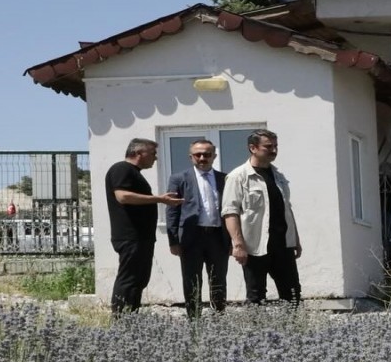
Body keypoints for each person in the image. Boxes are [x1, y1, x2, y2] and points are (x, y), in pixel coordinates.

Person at [222, 129, 303, 305]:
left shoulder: (279, 177)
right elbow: (230, 212)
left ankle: (293, 330)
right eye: (268, 146)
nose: (273, 150)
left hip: (282, 244)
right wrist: (238, 244)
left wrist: (295, 239)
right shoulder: (238, 177)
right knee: (256, 295)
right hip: (255, 246)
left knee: (292, 293)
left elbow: (286, 209)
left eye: (275, 146)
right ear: (253, 148)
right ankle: (255, 332)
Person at [104, 137, 182, 316]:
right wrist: (159, 199)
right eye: (152, 153)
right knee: (129, 279)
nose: (155, 158)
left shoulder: (134, 172)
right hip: (130, 237)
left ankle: (132, 319)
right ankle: (122, 320)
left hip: (140, 237)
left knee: (139, 280)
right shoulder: (121, 169)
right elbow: (123, 196)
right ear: (139, 153)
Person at [166, 139, 229, 318]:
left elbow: (233, 210)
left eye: (207, 154)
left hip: (217, 236)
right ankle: (194, 320)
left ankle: (219, 318)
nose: (202, 158)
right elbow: (172, 210)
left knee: (218, 280)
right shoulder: (179, 178)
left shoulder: (224, 179)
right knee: (191, 280)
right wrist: (173, 240)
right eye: (198, 154)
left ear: (214, 156)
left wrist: (233, 239)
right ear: (191, 157)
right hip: (191, 238)